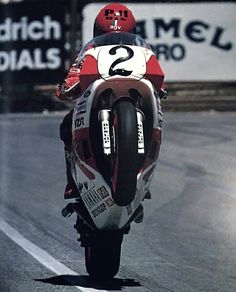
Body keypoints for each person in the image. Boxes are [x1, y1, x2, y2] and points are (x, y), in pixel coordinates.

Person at [56, 3, 166, 199]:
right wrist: (69, 85)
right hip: (99, 98)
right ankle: (74, 180)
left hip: (136, 100)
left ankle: (142, 174)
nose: (115, 41)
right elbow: (74, 75)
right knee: (67, 125)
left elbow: (158, 80)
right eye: (108, 37)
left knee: (155, 115)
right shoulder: (89, 50)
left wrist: (160, 87)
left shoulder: (142, 52)